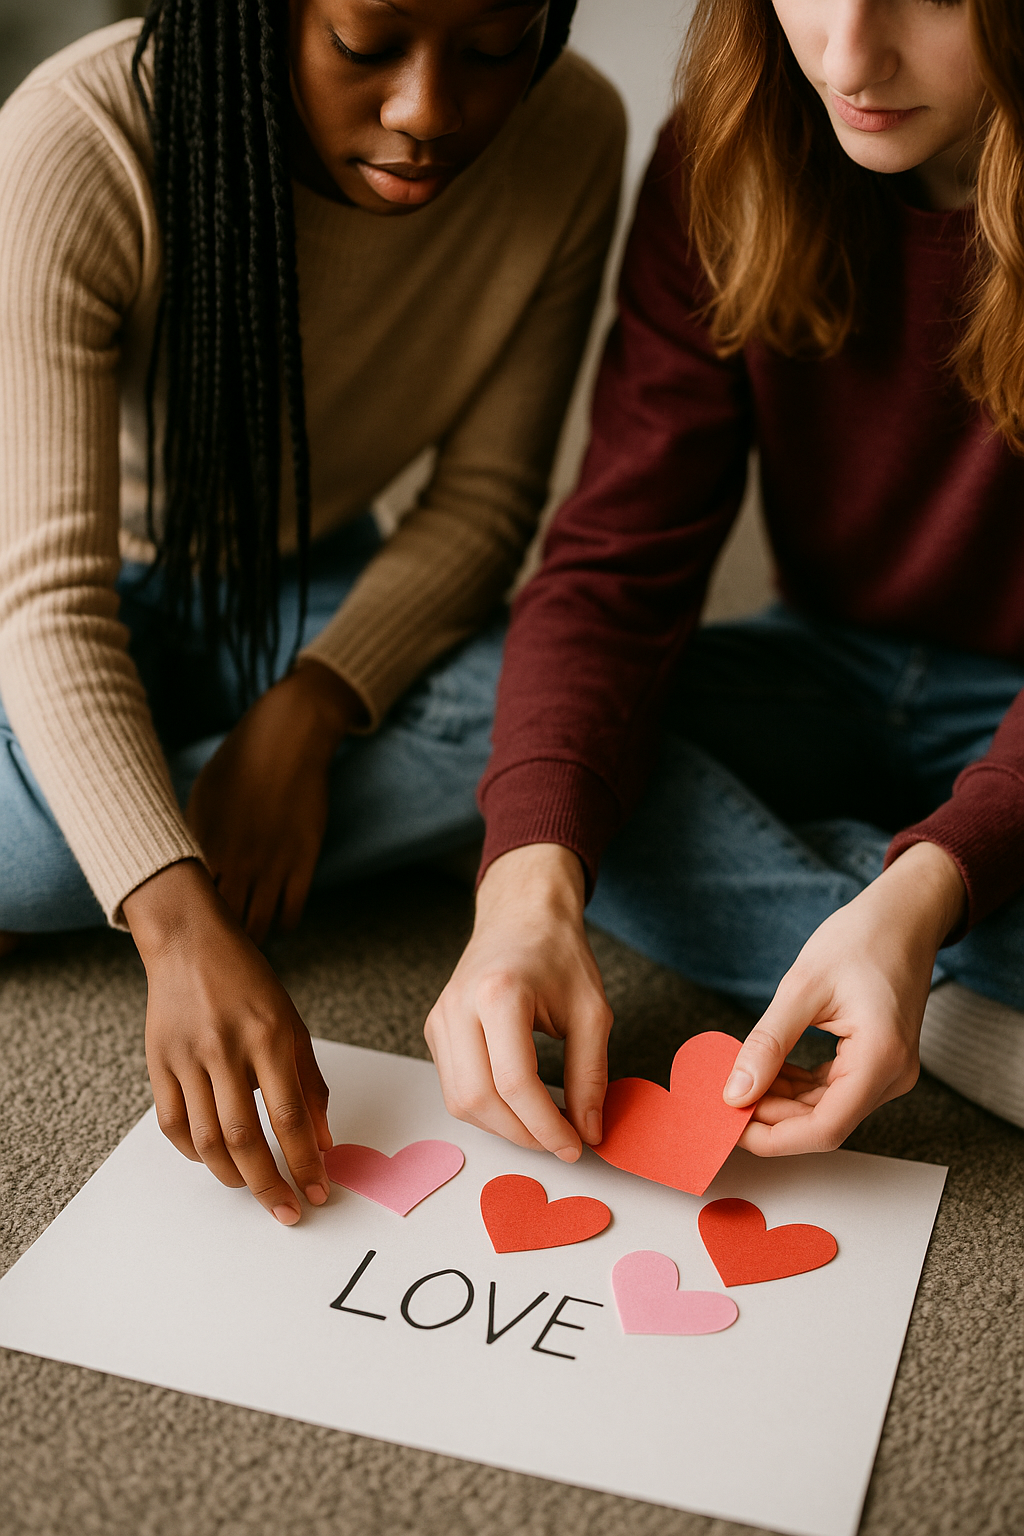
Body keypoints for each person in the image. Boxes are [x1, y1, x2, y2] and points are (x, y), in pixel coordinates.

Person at [0, 0, 625, 1219]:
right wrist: (176, 925)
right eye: (365, 43)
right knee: (38, 864)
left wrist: (311, 712)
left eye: (496, 49)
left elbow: (489, 506)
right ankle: (181, 838)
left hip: (317, 580)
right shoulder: (76, 138)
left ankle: (156, 818)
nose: (425, 113)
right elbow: (48, 602)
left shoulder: (574, 131)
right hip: (53, 582)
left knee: (578, 713)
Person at [425, 0, 1024, 1163]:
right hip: (825, 661)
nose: (848, 57)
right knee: (528, 743)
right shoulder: (726, 150)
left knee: (537, 796)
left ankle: (886, 945)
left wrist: (927, 890)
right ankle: (925, 993)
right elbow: (610, 567)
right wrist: (523, 895)